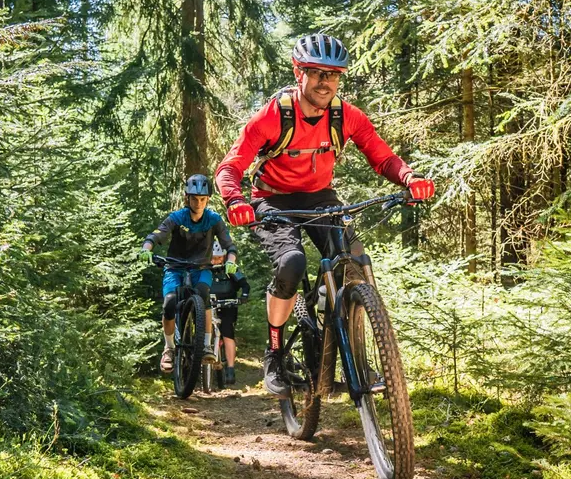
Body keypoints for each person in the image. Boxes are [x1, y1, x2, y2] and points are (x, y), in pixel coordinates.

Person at [214, 33, 435, 397]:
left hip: (320, 198)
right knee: (292, 263)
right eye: (316, 72)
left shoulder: (346, 116)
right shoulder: (273, 116)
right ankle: (275, 354)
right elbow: (230, 167)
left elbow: (382, 157)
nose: (325, 81)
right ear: (298, 73)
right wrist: (235, 200)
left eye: (332, 74)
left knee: (353, 255)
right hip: (273, 199)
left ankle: (348, 342)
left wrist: (409, 178)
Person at [139, 174, 238, 374]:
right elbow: (157, 235)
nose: (198, 203)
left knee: (203, 293)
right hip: (175, 267)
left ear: (208, 199)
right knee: (169, 303)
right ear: (187, 198)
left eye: (202, 199)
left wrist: (230, 261)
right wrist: (146, 248)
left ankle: (206, 345)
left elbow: (230, 245)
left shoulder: (214, 220)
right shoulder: (178, 217)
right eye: (194, 199)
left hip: (201, 269)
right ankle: (169, 348)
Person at [209, 238, 251, 385]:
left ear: (224, 256)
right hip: (209, 304)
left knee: (228, 334)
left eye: (219, 257)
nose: (216, 261)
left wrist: (244, 296)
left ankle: (231, 369)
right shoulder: (204, 270)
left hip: (228, 305)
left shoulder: (230, 268)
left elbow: (244, 285)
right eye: (213, 258)